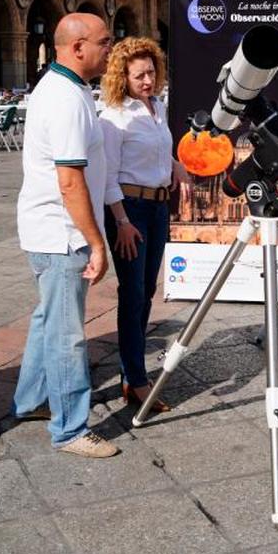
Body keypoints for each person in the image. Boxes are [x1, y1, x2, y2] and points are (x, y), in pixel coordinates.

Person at [12, 13, 118, 458]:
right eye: (105, 41)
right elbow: (70, 180)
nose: (110, 48)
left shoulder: (67, 89)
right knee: (66, 333)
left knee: (47, 319)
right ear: (77, 48)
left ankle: (31, 398)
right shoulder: (65, 98)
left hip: (49, 228)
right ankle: (71, 428)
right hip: (61, 233)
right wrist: (96, 241)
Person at [98, 38, 190, 412]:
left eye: (151, 72)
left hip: (156, 208)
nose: (148, 80)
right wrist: (120, 222)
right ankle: (135, 379)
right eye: (139, 75)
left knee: (147, 290)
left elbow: (157, 148)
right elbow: (107, 176)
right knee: (132, 293)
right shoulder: (113, 117)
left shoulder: (158, 108)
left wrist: (175, 166)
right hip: (128, 209)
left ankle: (130, 372)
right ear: (123, 76)